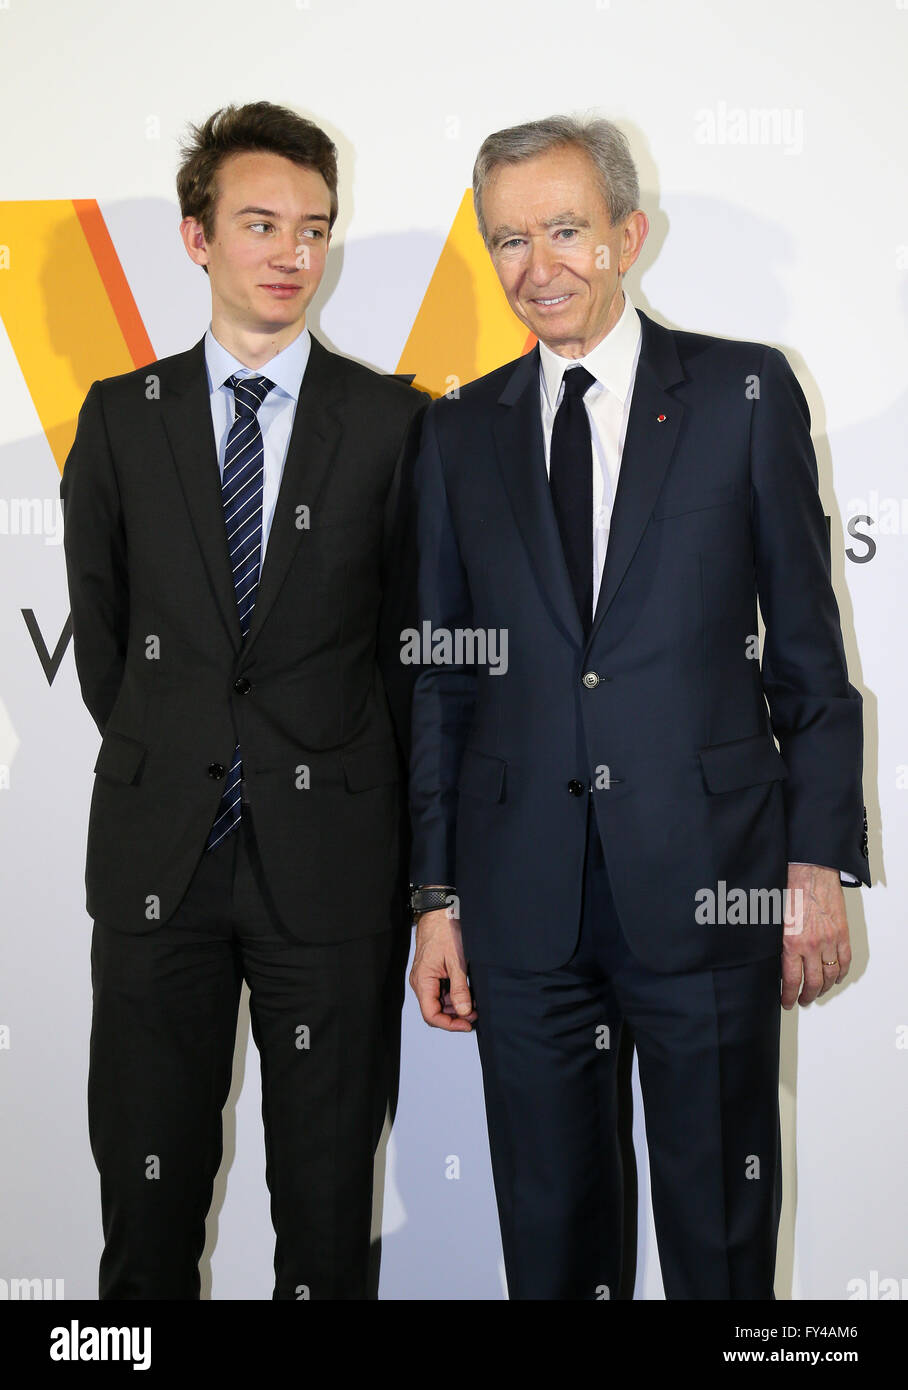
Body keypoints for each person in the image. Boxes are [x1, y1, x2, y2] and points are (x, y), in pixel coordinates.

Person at [407, 114, 869, 1299]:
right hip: (521, 907)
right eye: (507, 240)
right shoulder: (457, 433)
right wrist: (434, 898)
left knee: (719, 1243)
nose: (536, 267)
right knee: (551, 1246)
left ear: (627, 233)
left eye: (563, 230)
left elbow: (808, 658)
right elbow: (444, 676)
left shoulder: (741, 391)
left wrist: (814, 865)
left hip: (709, 884)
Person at [61, 100, 425, 1300]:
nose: (290, 254)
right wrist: (189, 760)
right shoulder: (121, 420)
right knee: (146, 1207)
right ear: (195, 237)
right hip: (161, 859)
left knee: (326, 1212)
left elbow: (407, 656)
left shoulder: (392, 424)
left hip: (331, 869)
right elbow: (109, 652)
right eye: (260, 223)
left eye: (313, 229)